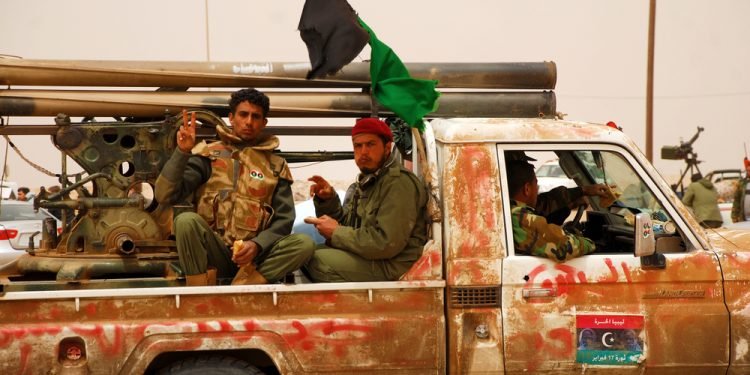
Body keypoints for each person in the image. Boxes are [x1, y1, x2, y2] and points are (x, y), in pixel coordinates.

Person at [155, 88, 315, 286]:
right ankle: (198, 294)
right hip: (214, 254)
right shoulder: (208, 156)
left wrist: (257, 245)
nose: (249, 122)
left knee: (304, 244)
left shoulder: (275, 166)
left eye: (256, 116)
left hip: (254, 261)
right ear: (231, 118)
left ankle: (244, 289)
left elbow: (284, 221)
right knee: (186, 221)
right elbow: (164, 195)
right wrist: (182, 152)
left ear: (264, 123)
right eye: (243, 114)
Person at [303, 117, 428, 282]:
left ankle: (365, 306)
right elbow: (349, 226)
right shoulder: (365, 183)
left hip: (391, 264)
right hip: (372, 257)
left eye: (370, 144)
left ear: (387, 148)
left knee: (318, 262)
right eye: (358, 146)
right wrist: (328, 200)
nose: (363, 152)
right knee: (303, 252)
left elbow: (385, 243)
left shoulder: (398, 183)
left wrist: (336, 232)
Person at [507, 158, 612, 262]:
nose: (537, 189)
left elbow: (543, 208)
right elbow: (565, 246)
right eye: (536, 184)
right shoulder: (518, 218)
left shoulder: (508, 211)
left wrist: (573, 201)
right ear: (527, 189)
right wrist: (594, 245)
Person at [731, 157, 750, 223]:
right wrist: (734, 216)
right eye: (748, 170)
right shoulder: (742, 183)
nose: (749, 172)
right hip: (744, 217)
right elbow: (736, 200)